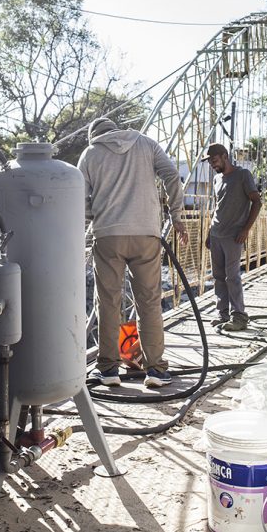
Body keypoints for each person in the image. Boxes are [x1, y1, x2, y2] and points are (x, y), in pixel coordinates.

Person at [78, 117, 188, 389]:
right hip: (146, 234)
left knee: (108, 303)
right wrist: (177, 216)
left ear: (95, 135)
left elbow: (80, 198)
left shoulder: (90, 153)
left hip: (108, 236)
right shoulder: (146, 143)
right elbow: (172, 174)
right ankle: (157, 371)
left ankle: (108, 369)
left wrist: (93, 218)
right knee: (149, 302)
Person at [203, 143, 262, 332]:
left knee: (232, 277)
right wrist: (208, 234)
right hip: (216, 234)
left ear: (224, 156)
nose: (212, 164)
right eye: (210, 162)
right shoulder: (217, 179)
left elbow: (257, 202)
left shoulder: (243, 175)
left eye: (214, 160)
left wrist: (246, 229)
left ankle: (239, 316)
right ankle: (223, 314)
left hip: (234, 236)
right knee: (218, 277)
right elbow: (217, 208)